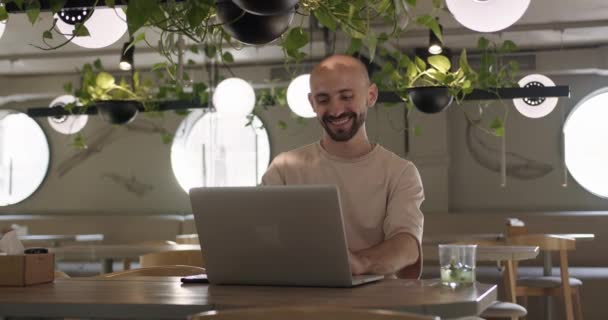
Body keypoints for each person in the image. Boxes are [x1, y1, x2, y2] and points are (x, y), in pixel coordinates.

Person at [261, 54, 424, 278]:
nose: (336, 110)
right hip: (301, 302)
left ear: (371, 95)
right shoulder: (284, 169)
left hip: (377, 306)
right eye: (323, 99)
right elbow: (262, 238)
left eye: (346, 97)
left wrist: (359, 264)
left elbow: (407, 246)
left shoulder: (401, 172)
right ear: (312, 103)